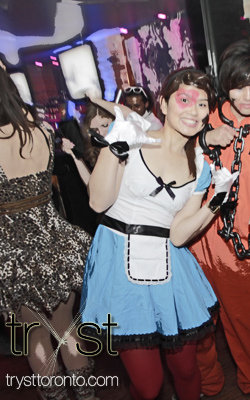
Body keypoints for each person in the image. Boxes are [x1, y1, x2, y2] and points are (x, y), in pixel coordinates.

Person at [81, 68, 229, 400]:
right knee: (148, 387)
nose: (194, 110)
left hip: (169, 266)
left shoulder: (200, 166)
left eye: (202, 104)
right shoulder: (133, 138)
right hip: (119, 263)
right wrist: (114, 146)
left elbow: (178, 235)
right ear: (162, 104)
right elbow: (98, 202)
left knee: (187, 370)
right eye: (185, 99)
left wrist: (216, 202)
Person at [189, 40, 250, 400]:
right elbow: (169, 151)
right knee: (196, 324)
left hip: (243, 251)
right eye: (239, 87)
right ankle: (205, 383)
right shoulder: (203, 117)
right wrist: (204, 137)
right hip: (196, 242)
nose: (247, 97)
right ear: (226, 83)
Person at [0, 61, 97, 399]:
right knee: (66, 328)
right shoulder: (42, 130)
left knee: (35, 336)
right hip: (54, 243)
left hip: (12, 254)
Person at [61, 102, 115, 185]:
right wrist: (74, 155)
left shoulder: (128, 143)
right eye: (95, 130)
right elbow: (92, 186)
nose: (101, 133)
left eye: (104, 125)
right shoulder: (99, 149)